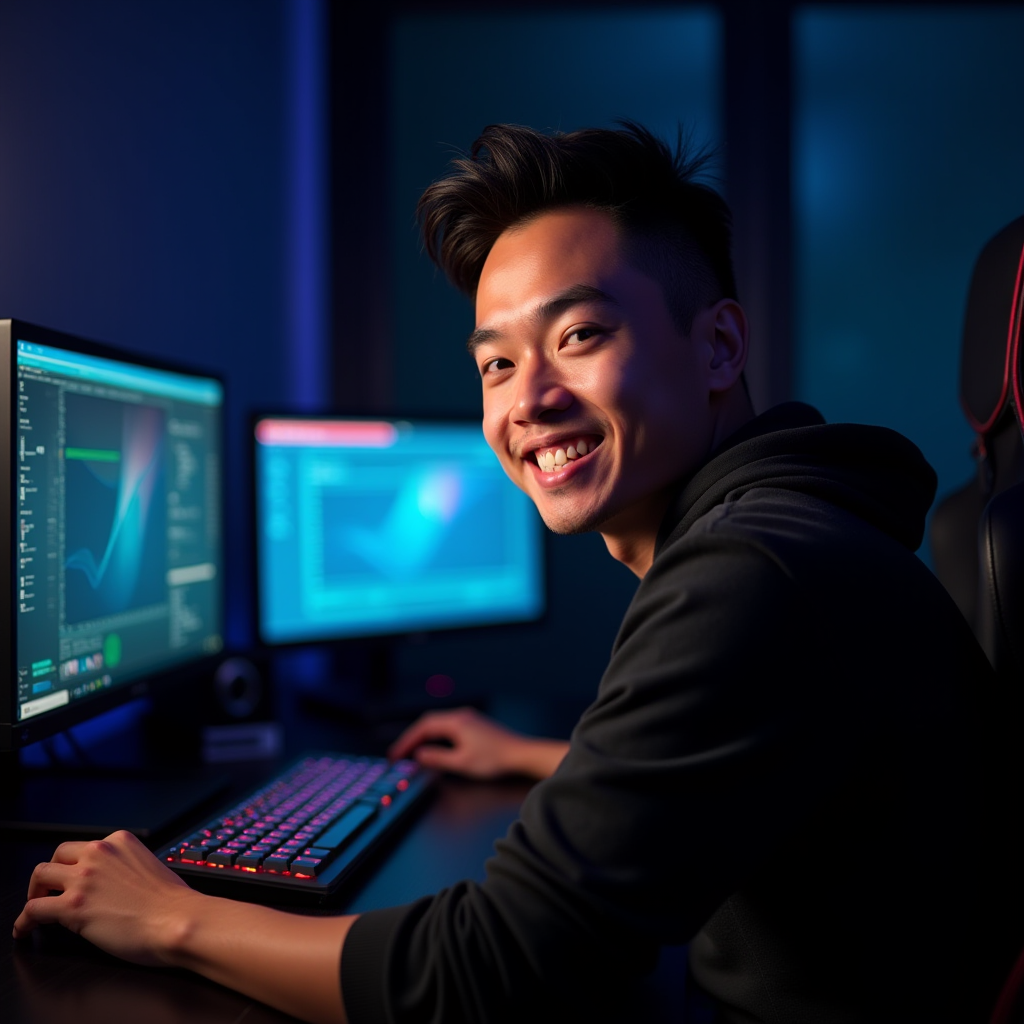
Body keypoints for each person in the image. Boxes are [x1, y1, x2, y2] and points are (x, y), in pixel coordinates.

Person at [13, 122, 1018, 1023]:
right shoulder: (795, 531)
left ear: (717, 347)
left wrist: (171, 917)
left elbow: (489, 973)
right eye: (496, 362)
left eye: (578, 335)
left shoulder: (748, 572)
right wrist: (545, 759)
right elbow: (761, 770)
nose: (526, 400)